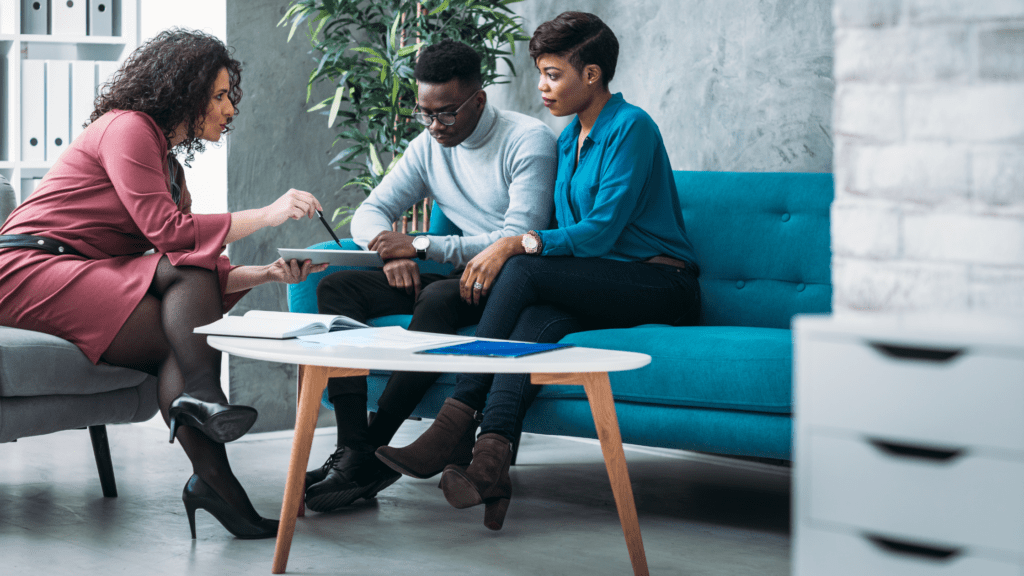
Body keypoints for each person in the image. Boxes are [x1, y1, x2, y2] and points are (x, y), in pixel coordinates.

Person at [375, 12, 702, 531]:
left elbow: (598, 232)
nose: (542, 87)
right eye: (541, 73)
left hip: (661, 283)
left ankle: (456, 416)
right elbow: (576, 245)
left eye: (553, 74)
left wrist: (516, 243)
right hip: (598, 281)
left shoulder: (631, 128)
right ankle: (490, 466)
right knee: (533, 323)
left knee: (522, 271)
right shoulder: (569, 138)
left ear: (590, 76)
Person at [0, 29, 328, 539]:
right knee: (185, 297)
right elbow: (171, 235)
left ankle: (214, 471)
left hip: (85, 272)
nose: (230, 110)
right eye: (220, 96)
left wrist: (265, 274)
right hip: (24, 269)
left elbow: (187, 262)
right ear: (185, 91)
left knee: (183, 325)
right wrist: (266, 215)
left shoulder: (171, 170)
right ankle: (207, 425)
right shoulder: (127, 127)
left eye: (230, 97)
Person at [304, 39, 557, 513]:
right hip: (454, 274)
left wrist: (419, 246)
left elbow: (520, 237)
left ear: (478, 100)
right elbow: (370, 211)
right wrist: (388, 250)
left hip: (509, 280)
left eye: (446, 113)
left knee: (439, 297)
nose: (435, 126)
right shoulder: (429, 147)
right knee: (337, 287)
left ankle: (373, 451)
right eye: (425, 113)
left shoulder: (528, 140)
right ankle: (354, 448)